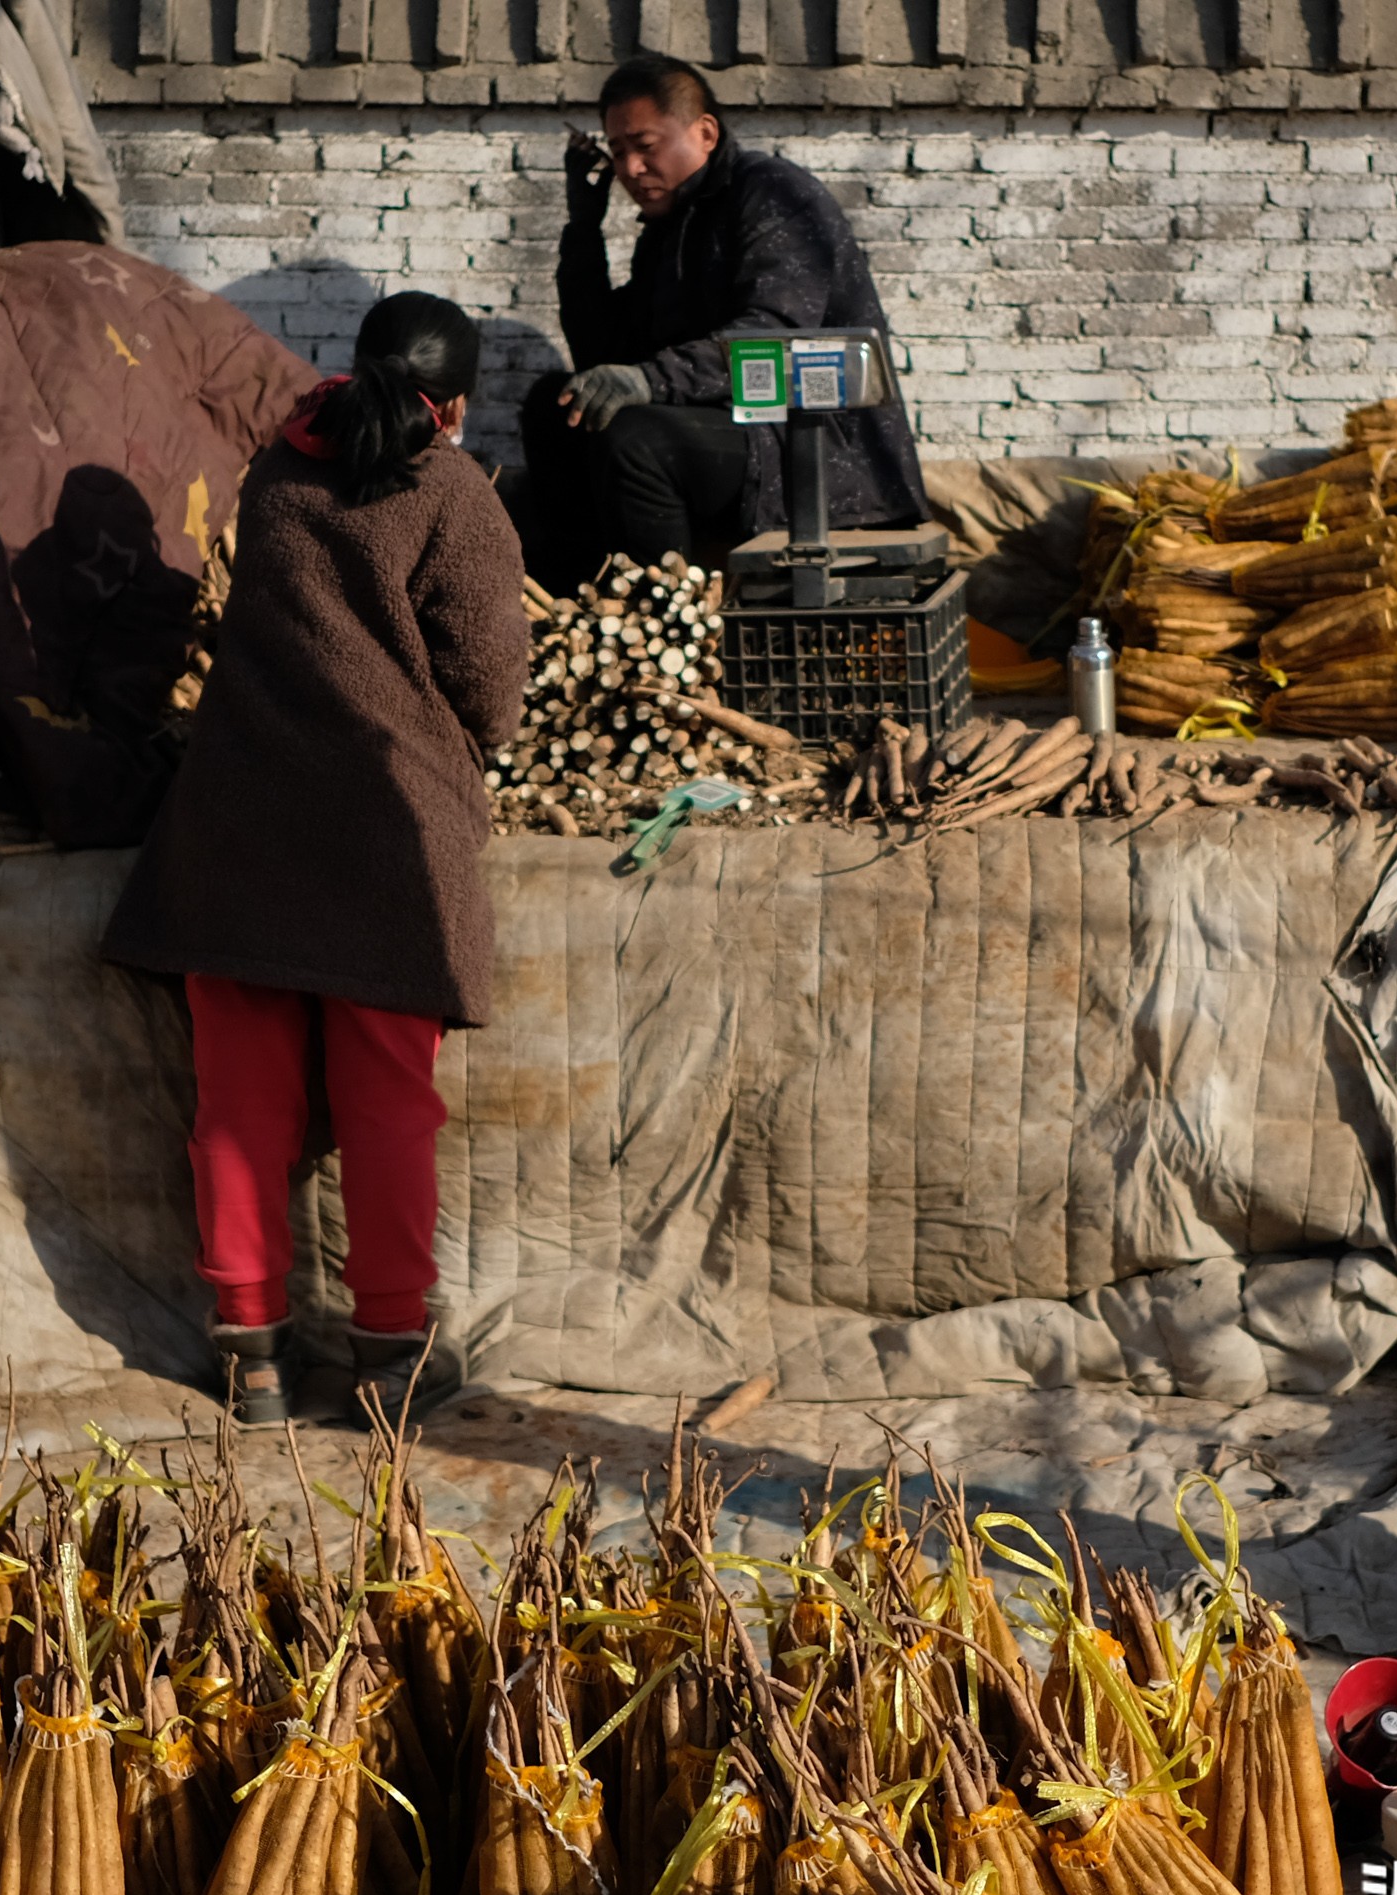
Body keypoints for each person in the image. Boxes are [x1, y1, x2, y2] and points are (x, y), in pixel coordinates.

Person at [103, 293, 528, 1426]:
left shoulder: (278, 470)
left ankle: (252, 1356)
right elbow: (491, 688)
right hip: (384, 835)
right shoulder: (454, 494)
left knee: (239, 1106)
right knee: (389, 1105)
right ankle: (389, 1354)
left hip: (237, 826)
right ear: (454, 405)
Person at [518, 54, 928, 585]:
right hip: (728, 434)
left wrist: (649, 381)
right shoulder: (667, 231)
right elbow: (603, 358)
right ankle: (579, 608)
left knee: (636, 438)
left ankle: (665, 616)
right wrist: (583, 231)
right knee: (556, 408)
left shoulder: (773, 193)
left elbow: (773, 336)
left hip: (814, 451)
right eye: (617, 152)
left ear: (705, 133)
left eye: (645, 146)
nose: (630, 169)